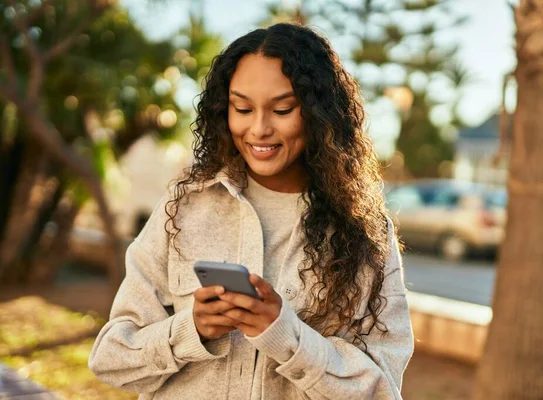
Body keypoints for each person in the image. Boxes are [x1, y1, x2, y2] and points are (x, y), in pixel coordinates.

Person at [89, 22, 414, 399]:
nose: (258, 128)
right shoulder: (184, 205)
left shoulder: (364, 230)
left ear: (318, 113)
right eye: (242, 108)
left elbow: (381, 391)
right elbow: (109, 359)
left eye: (282, 109)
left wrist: (286, 337)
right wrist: (189, 330)